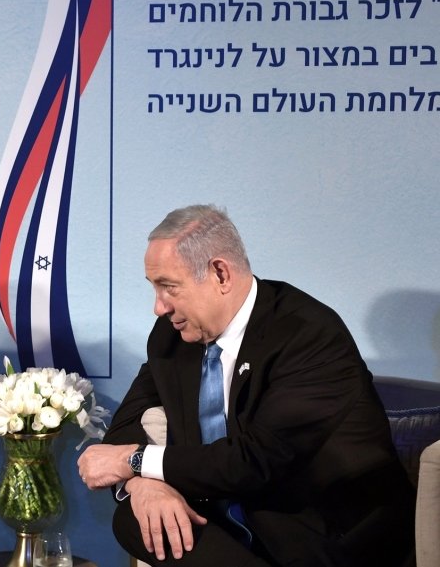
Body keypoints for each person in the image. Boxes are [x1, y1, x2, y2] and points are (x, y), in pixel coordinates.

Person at [77, 205, 415, 567]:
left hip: (321, 533)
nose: (158, 307)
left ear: (220, 273)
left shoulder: (308, 334)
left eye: (168, 287)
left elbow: (253, 462)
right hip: (228, 522)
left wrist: (136, 461)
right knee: (138, 518)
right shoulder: (172, 336)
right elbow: (127, 422)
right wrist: (144, 484)